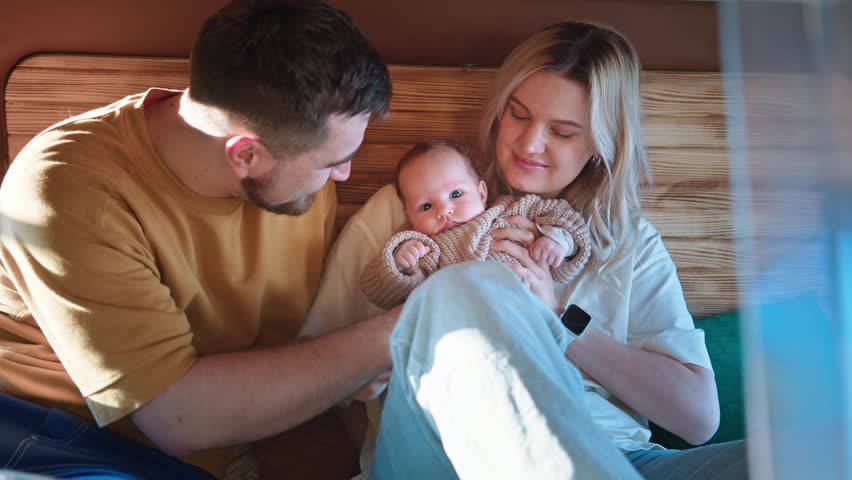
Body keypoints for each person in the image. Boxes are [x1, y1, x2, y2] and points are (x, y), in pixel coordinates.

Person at [302, 20, 748, 479]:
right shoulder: (417, 204)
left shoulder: (628, 242)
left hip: (619, 456)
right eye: (518, 115)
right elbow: (318, 372)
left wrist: (559, 321)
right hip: (448, 449)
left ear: (600, 144)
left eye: (563, 131)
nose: (530, 144)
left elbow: (697, 420)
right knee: (460, 290)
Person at [0, 0, 396, 479]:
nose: (345, 174)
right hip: (53, 438)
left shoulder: (294, 180)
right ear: (245, 155)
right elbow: (177, 417)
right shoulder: (67, 191)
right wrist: (393, 334)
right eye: (332, 162)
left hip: (204, 447)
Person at [359, 138, 591, 309]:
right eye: (426, 207)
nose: (444, 211)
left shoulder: (510, 212)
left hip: (524, 318)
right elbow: (377, 291)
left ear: (481, 193)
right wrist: (399, 262)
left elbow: (563, 214)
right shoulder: (421, 245)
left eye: (456, 194)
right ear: (409, 215)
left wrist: (557, 239)